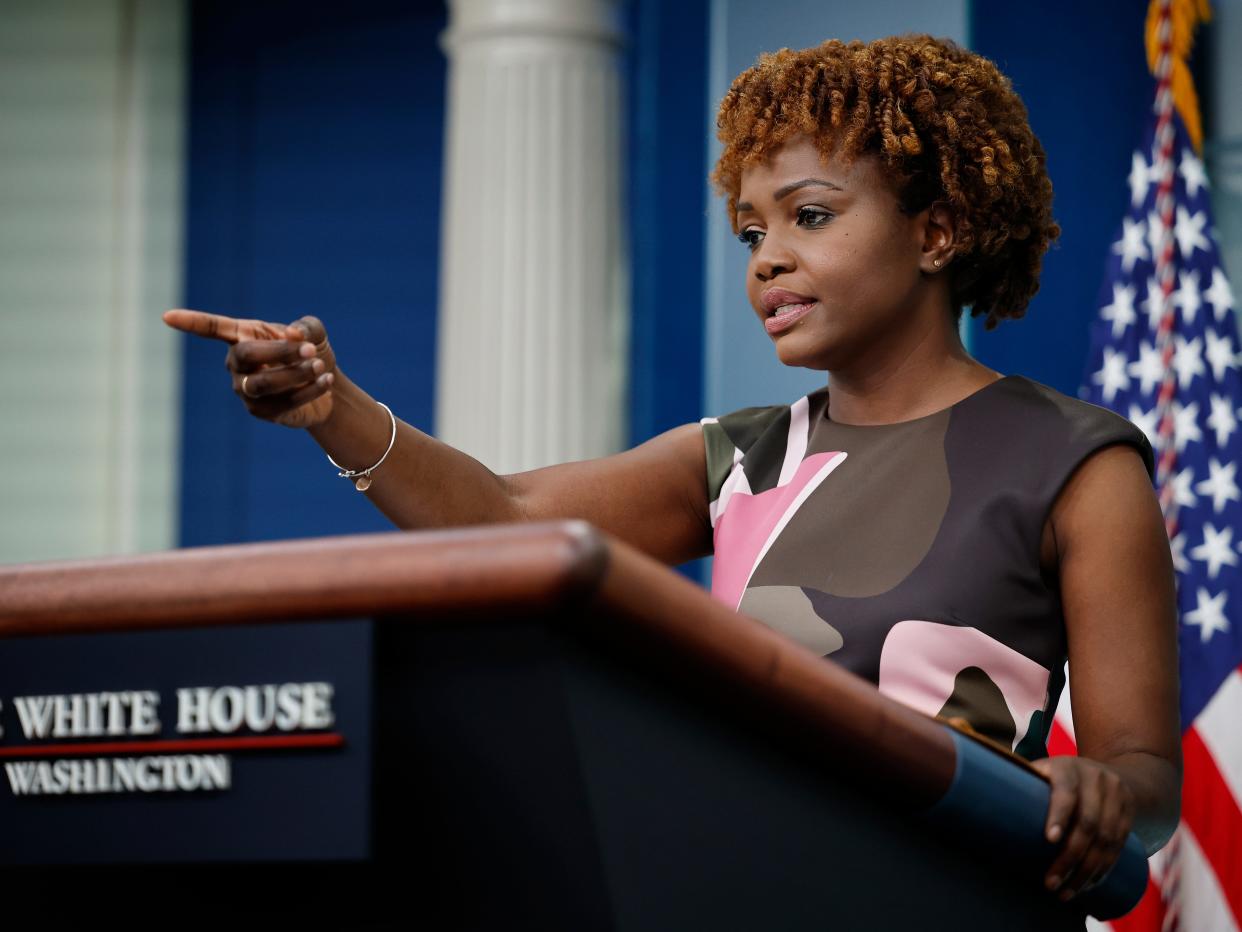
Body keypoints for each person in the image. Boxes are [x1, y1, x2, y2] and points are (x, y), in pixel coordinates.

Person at [165, 34, 1180, 905]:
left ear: (938, 230)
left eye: (810, 214)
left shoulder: (1076, 461)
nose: (767, 257)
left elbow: (1145, 776)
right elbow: (508, 514)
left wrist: (1095, 790)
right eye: (752, 231)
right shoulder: (742, 455)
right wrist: (331, 408)